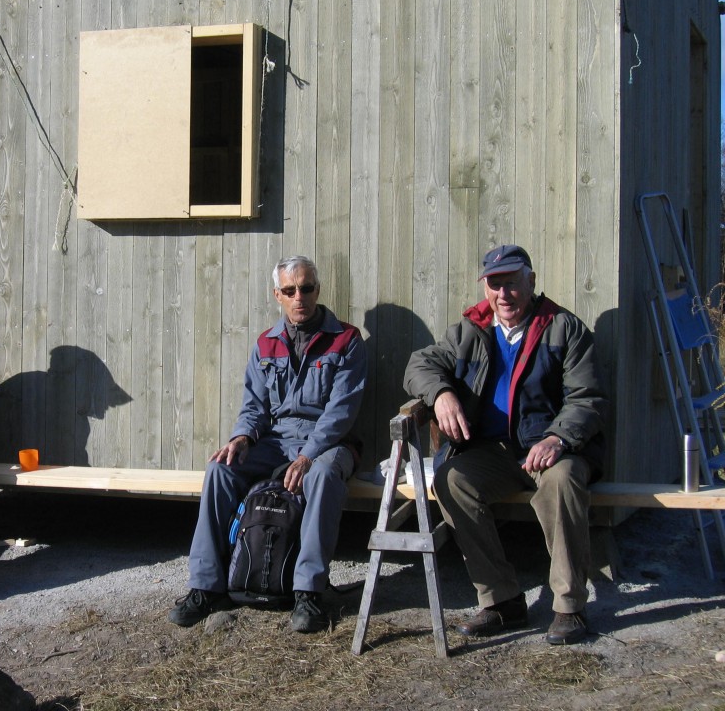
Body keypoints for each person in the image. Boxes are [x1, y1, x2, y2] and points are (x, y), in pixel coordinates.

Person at [404, 245, 607, 645]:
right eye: (494, 285)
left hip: (553, 451)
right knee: (452, 481)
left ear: (530, 282)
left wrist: (558, 437)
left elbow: (588, 398)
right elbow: (418, 366)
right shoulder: (469, 331)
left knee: (562, 482)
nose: (503, 295)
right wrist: (441, 393)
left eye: (511, 284)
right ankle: (501, 600)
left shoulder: (564, 328)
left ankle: (569, 607)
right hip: (493, 452)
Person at [169, 255, 367, 633]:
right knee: (219, 470)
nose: (299, 297)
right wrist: (241, 437)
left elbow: (341, 412)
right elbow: (254, 407)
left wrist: (309, 456)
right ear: (277, 294)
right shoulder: (266, 342)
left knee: (323, 476)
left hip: (328, 443)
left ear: (317, 290)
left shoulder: (347, 340)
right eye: (289, 290)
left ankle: (308, 592)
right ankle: (206, 586)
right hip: (275, 441)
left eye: (306, 288)